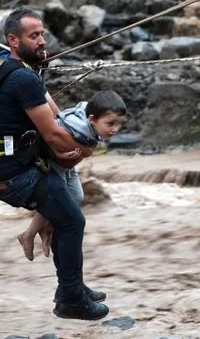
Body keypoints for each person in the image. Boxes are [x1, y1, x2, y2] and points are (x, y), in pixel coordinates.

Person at [0, 7, 109, 321]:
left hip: (15, 168)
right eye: (33, 36)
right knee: (72, 221)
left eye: (42, 35)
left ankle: (72, 288)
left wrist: (69, 143)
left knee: (68, 208)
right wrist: (86, 149)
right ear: (13, 40)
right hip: (13, 177)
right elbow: (52, 132)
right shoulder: (22, 78)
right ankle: (70, 301)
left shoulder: (20, 71)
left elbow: (54, 112)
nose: (41, 41)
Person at [17, 90, 127, 262]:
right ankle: (28, 234)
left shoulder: (90, 119)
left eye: (118, 124)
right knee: (61, 201)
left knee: (76, 196)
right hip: (54, 165)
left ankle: (47, 227)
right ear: (92, 119)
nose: (115, 129)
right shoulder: (77, 126)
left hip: (67, 167)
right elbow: (49, 133)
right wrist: (58, 154)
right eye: (110, 124)